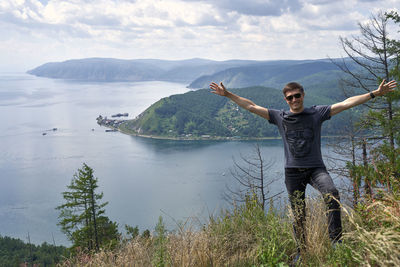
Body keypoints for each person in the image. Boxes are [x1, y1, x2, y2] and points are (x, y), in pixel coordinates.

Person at [209, 79, 397, 257]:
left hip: (315, 168)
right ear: (286, 100)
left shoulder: (317, 113)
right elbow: (251, 106)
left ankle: (336, 242)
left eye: (297, 95)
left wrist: (375, 93)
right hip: (292, 172)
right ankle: (302, 251)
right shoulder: (279, 117)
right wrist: (227, 94)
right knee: (299, 214)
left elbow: (346, 103)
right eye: (290, 97)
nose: (294, 100)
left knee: (332, 193)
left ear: (303, 95)